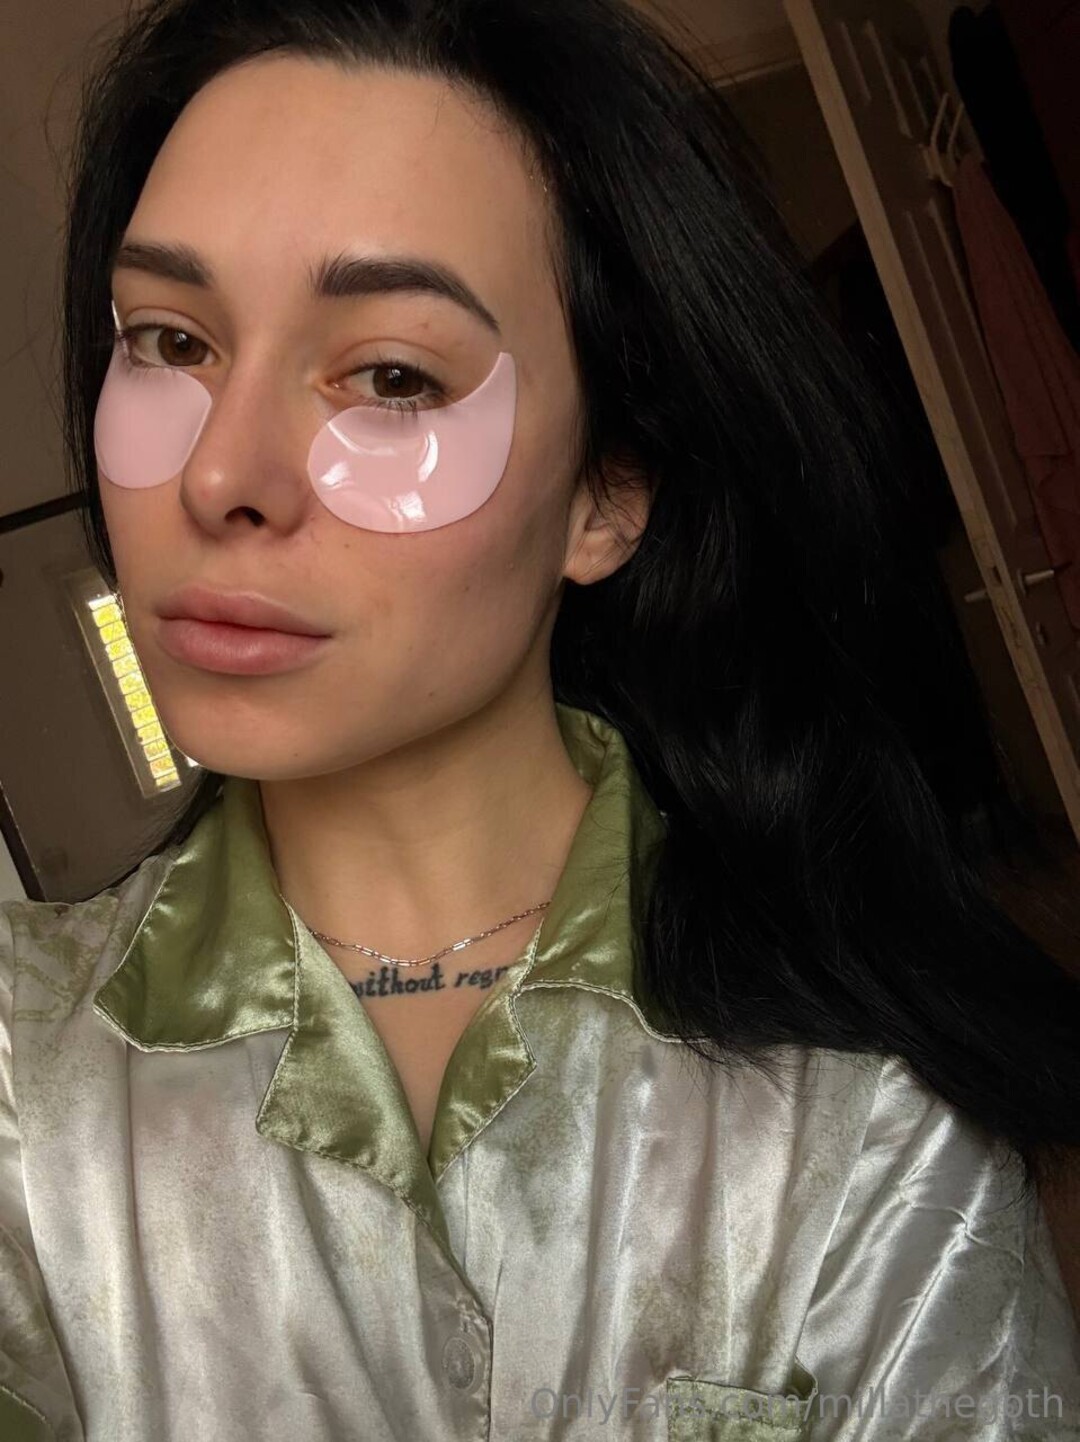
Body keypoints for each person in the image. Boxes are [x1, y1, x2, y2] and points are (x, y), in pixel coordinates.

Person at [2, 0, 1079, 1437]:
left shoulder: (869, 1114)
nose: (218, 476)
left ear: (605, 494)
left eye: (392, 375)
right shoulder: (22, 1077)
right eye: (170, 339)